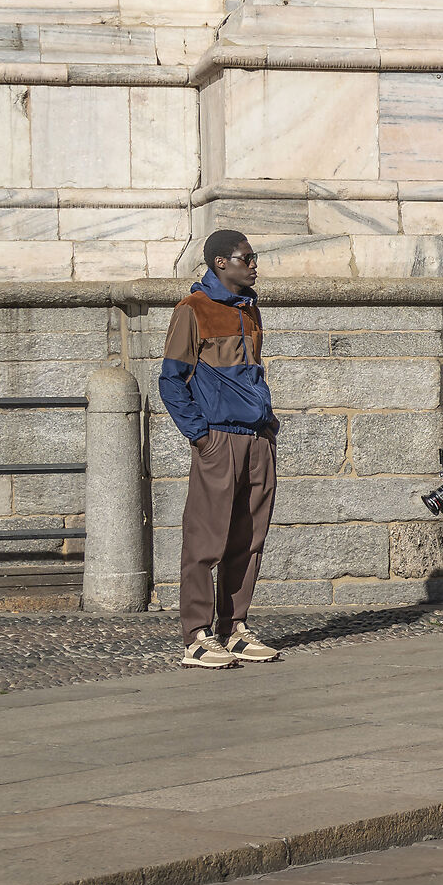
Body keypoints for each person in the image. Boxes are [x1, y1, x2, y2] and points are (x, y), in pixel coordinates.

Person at [161, 229, 284, 670]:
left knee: (249, 539)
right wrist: (201, 435)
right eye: (246, 257)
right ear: (220, 263)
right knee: (205, 539)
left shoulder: (250, 310)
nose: (254, 264)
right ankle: (196, 634)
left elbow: (252, 376)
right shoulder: (192, 311)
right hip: (218, 439)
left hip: (257, 441)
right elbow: (172, 380)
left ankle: (234, 627)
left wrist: (267, 429)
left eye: (253, 257)